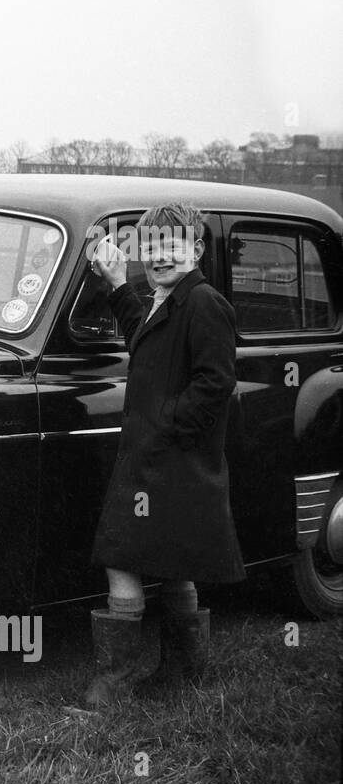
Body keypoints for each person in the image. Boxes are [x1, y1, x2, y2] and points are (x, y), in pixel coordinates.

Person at [83, 202, 243, 707]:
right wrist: (115, 284)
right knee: (173, 562)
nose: (159, 256)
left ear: (195, 250)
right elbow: (145, 339)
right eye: (150, 247)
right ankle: (184, 671)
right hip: (158, 457)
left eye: (171, 245)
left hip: (173, 459)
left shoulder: (204, 303)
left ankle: (117, 682)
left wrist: (164, 425)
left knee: (120, 555)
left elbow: (215, 382)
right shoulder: (166, 299)